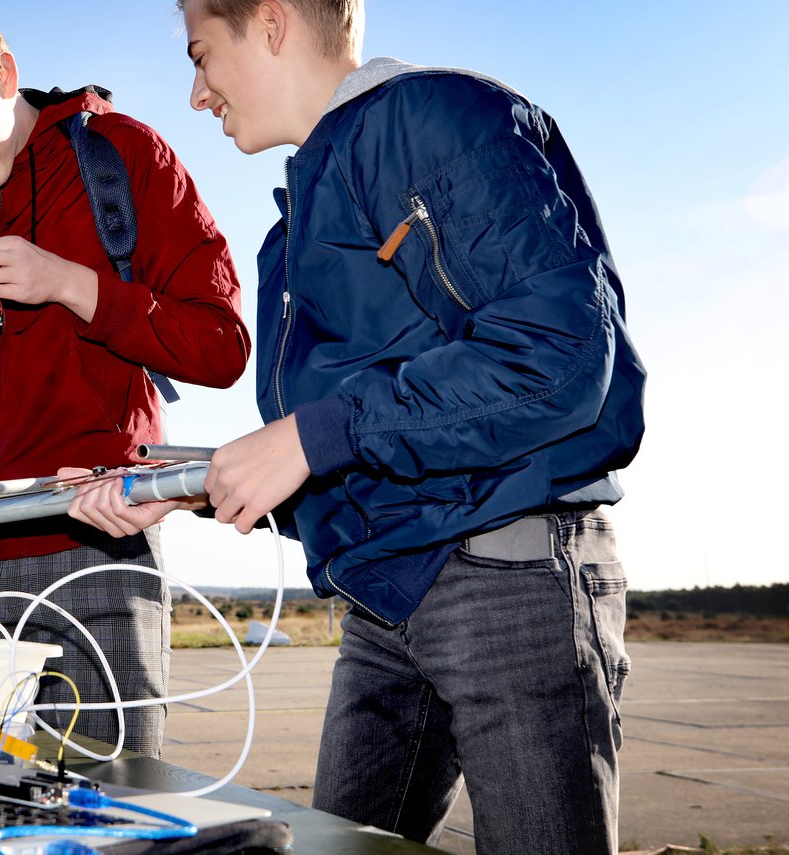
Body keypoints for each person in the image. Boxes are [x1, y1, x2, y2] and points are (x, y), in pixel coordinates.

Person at [68, 0, 648, 850]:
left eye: (201, 55)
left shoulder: (429, 120)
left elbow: (558, 357)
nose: (197, 93)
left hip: (504, 577)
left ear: (270, 23)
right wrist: (185, 484)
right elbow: (353, 441)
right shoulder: (292, 231)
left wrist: (307, 437)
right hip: (385, 599)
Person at [0, 0, 250, 758]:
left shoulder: (125, 158)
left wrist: (71, 283)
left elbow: (223, 346)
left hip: (97, 545)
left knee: (113, 813)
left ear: (4, 73)